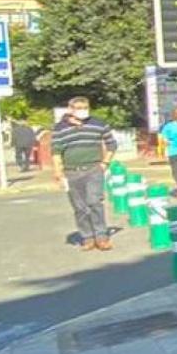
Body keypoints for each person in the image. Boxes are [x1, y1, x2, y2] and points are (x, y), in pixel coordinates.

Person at [50, 96, 117, 250]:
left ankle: (101, 237)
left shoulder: (98, 124)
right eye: (78, 108)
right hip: (72, 172)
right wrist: (58, 171)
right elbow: (55, 151)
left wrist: (105, 162)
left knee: (94, 202)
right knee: (80, 207)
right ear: (71, 109)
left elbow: (111, 144)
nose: (82, 111)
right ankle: (87, 237)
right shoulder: (60, 128)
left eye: (84, 108)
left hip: (94, 169)